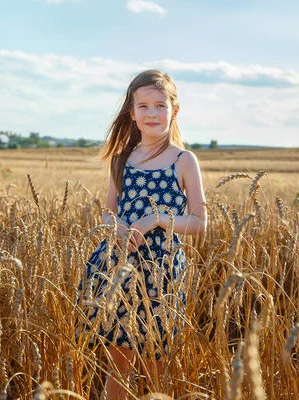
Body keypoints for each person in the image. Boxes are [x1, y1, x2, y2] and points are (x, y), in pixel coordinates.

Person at [77, 69, 207, 399]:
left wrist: (155, 219)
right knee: (117, 360)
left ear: (174, 110)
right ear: (132, 113)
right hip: (119, 267)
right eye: (144, 106)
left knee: (156, 363)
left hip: (162, 273)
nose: (152, 113)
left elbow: (198, 222)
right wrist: (118, 227)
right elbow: (108, 212)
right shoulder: (122, 160)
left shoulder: (183, 160)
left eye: (160, 106)